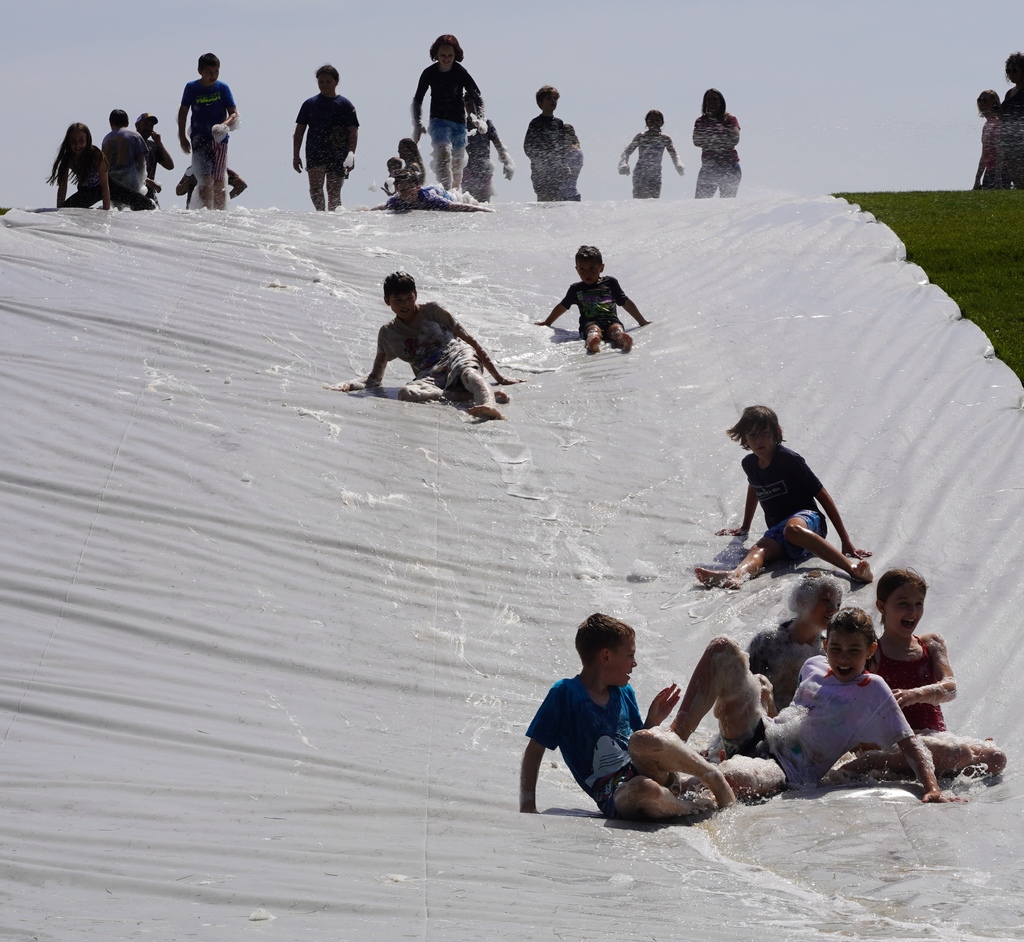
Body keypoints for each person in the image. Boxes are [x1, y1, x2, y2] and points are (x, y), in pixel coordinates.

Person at [670, 608, 962, 803]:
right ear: (825, 646)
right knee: (723, 648)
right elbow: (796, 715)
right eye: (836, 648)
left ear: (871, 650)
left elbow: (912, 745)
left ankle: (673, 787)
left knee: (735, 776)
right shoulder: (812, 665)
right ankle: (674, 740)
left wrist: (932, 788)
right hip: (760, 734)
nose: (843, 658)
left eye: (853, 650)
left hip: (787, 771)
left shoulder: (873, 689)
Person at [520, 613, 737, 819]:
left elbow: (637, 745)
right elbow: (534, 750)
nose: (634, 663)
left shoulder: (624, 692)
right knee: (646, 789)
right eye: (630, 655)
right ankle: (689, 807)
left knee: (642, 740)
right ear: (606, 656)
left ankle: (712, 777)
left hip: (647, 771)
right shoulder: (565, 694)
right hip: (617, 795)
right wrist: (527, 805)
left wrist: (653, 722)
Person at [836, 569, 1006, 779]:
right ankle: (875, 760)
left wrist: (914, 694)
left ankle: (910, 769)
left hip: (936, 737)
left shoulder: (931, 643)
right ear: (882, 606)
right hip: (899, 741)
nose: (912, 611)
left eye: (918, 604)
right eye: (903, 604)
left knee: (997, 758)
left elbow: (950, 687)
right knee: (956, 752)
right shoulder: (874, 652)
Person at [695, 405, 872, 588]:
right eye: (752, 435)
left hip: (809, 521)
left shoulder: (789, 460)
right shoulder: (749, 464)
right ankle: (735, 575)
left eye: (764, 433)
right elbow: (754, 487)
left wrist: (846, 541)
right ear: (745, 438)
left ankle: (851, 568)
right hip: (781, 533)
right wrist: (745, 527)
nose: (758, 440)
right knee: (760, 548)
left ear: (777, 432)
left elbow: (823, 495)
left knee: (792, 529)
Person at [327, 271, 521, 421]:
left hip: (457, 354)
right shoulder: (388, 334)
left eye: (409, 298)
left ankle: (488, 404)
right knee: (406, 392)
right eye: (398, 300)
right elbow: (375, 378)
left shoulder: (433, 311)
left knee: (469, 374)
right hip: (430, 374)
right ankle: (464, 396)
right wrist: (349, 385)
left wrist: (499, 376)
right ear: (387, 301)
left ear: (416, 295)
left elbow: (470, 340)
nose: (405, 304)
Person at [747, 569, 843, 712]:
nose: (833, 609)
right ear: (801, 601)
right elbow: (744, 690)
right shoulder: (767, 641)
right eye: (826, 601)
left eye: (838, 604)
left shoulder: (828, 652)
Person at [536, 245, 650, 353]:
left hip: (611, 320)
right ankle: (593, 340)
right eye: (582, 269)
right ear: (577, 269)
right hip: (589, 322)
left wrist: (642, 321)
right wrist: (547, 322)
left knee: (616, 328)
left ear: (601, 267)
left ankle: (621, 338)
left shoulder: (611, 283)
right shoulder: (576, 289)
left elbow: (625, 303)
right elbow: (562, 306)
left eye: (592, 268)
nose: (587, 274)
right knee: (593, 330)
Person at [411, 34, 482, 191]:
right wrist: (417, 123)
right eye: (442, 55)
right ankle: (446, 189)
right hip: (438, 120)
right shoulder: (429, 73)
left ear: (456, 54)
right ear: (436, 54)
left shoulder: (460, 71)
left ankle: (455, 191)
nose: (446, 58)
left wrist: (481, 118)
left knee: (457, 162)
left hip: (458, 122)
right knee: (443, 153)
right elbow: (417, 99)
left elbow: (477, 94)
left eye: (450, 55)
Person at [293, 64, 359, 212]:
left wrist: (351, 154)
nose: (324, 85)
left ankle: (334, 220)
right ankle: (321, 215)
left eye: (328, 81)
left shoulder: (345, 104)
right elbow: (299, 132)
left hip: (338, 152)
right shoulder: (309, 104)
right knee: (316, 188)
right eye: (321, 82)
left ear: (336, 82)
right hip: (315, 150)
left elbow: (353, 130)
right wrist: (296, 155)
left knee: (333, 190)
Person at [178, 52, 239, 210]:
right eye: (209, 73)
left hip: (219, 140)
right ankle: (206, 214)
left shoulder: (223, 88)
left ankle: (219, 214)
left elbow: (234, 112)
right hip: (199, 138)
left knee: (218, 180)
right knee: (205, 179)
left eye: (216, 72)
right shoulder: (192, 88)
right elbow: (183, 111)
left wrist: (224, 125)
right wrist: (182, 137)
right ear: (200, 71)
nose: (213, 76)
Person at [618, 110, 685, 199]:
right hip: (640, 173)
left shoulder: (665, 138)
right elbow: (627, 152)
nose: (654, 123)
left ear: (662, 123)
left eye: (657, 120)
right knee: (639, 200)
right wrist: (623, 164)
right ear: (646, 122)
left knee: (653, 202)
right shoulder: (641, 136)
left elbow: (674, 154)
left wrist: (678, 164)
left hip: (655, 174)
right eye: (651, 121)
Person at [461, 94, 515, 203]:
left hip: (483, 170)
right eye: (466, 105)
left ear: (479, 106)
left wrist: (507, 163)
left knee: (484, 203)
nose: (469, 108)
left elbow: (498, 145)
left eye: (472, 104)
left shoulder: (486, 124)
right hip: (467, 170)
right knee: (468, 203)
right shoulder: (462, 124)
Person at [101, 110, 157, 210]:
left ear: (110, 123)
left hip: (113, 183)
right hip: (131, 181)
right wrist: (143, 179)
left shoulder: (106, 139)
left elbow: (104, 165)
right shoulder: (135, 136)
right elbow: (141, 161)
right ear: (127, 122)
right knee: (137, 211)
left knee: (117, 212)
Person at [48, 123, 111, 210]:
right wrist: (59, 211)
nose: (77, 145)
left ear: (87, 140)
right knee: (66, 209)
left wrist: (106, 210)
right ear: (68, 142)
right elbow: (62, 188)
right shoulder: (67, 159)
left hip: (106, 186)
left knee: (135, 199)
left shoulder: (96, 154)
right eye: (73, 141)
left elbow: (104, 184)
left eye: (81, 140)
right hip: (86, 191)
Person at [370, 169, 493, 213]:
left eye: (408, 188)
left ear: (418, 186)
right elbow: (383, 207)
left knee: (457, 197)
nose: (405, 193)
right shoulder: (396, 201)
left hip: (443, 194)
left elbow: (458, 206)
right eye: (401, 190)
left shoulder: (430, 199)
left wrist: (487, 210)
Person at [693, 88, 741, 199]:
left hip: (730, 167)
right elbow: (696, 141)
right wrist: (721, 140)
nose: (712, 102)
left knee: (726, 203)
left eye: (715, 99)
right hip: (709, 168)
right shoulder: (701, 121)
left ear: (721, 102)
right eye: (708, 100)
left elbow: (734, 139)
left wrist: (709, 140)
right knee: (700, 203)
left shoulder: (730, 119)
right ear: (705, 103)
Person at [523, 86, 567, 202]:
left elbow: (562, 145)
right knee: (544, 199)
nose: (553, 101)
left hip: (556, 170)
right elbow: (527, 146)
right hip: (540, 171)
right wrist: (538, 161)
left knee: (557, 199)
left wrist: (564, 163)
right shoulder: (535, 123)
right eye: (549, 98)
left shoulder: (559, 123)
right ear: (540, 102)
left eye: (555, 99)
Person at [135, 113, 175, 206]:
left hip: (150, 194)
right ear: (137, 125)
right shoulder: (131, 143)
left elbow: (170, 166)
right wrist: (149, 181)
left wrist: (159, 144)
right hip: (134, 191)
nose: (148, 128)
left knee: (157, 219)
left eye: (151, 126)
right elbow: (129, 169)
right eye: (145, 124)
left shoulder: (152, 145)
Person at [1001, 52, 1024, 188]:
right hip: (1009, 143)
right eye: (1008, 71)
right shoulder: (1010, 93)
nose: (1010, 73)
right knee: (1017, 180)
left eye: (1014, 70)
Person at [973, 91, 1005, 190]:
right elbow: (984, 154)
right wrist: (977, 178)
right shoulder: (987, 124)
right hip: (990, 170)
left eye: (985, 100)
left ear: (994, 102)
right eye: (979, 100)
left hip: (1001, 171)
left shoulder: (997, 122)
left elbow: (1001, 150)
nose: (981, 103)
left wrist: (998, 176)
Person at [175, 166, 247, 208]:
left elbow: (241, 185)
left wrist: (225, 199)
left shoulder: (220, 170)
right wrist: (188, 181)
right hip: (192, 214)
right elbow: (178, 192)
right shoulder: (192, 169)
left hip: (214, 215)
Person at [558, 124, 583, 201]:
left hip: (571, 195)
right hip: (556, 195)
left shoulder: (577, 153)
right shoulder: (558, 152)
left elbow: (571, 172)